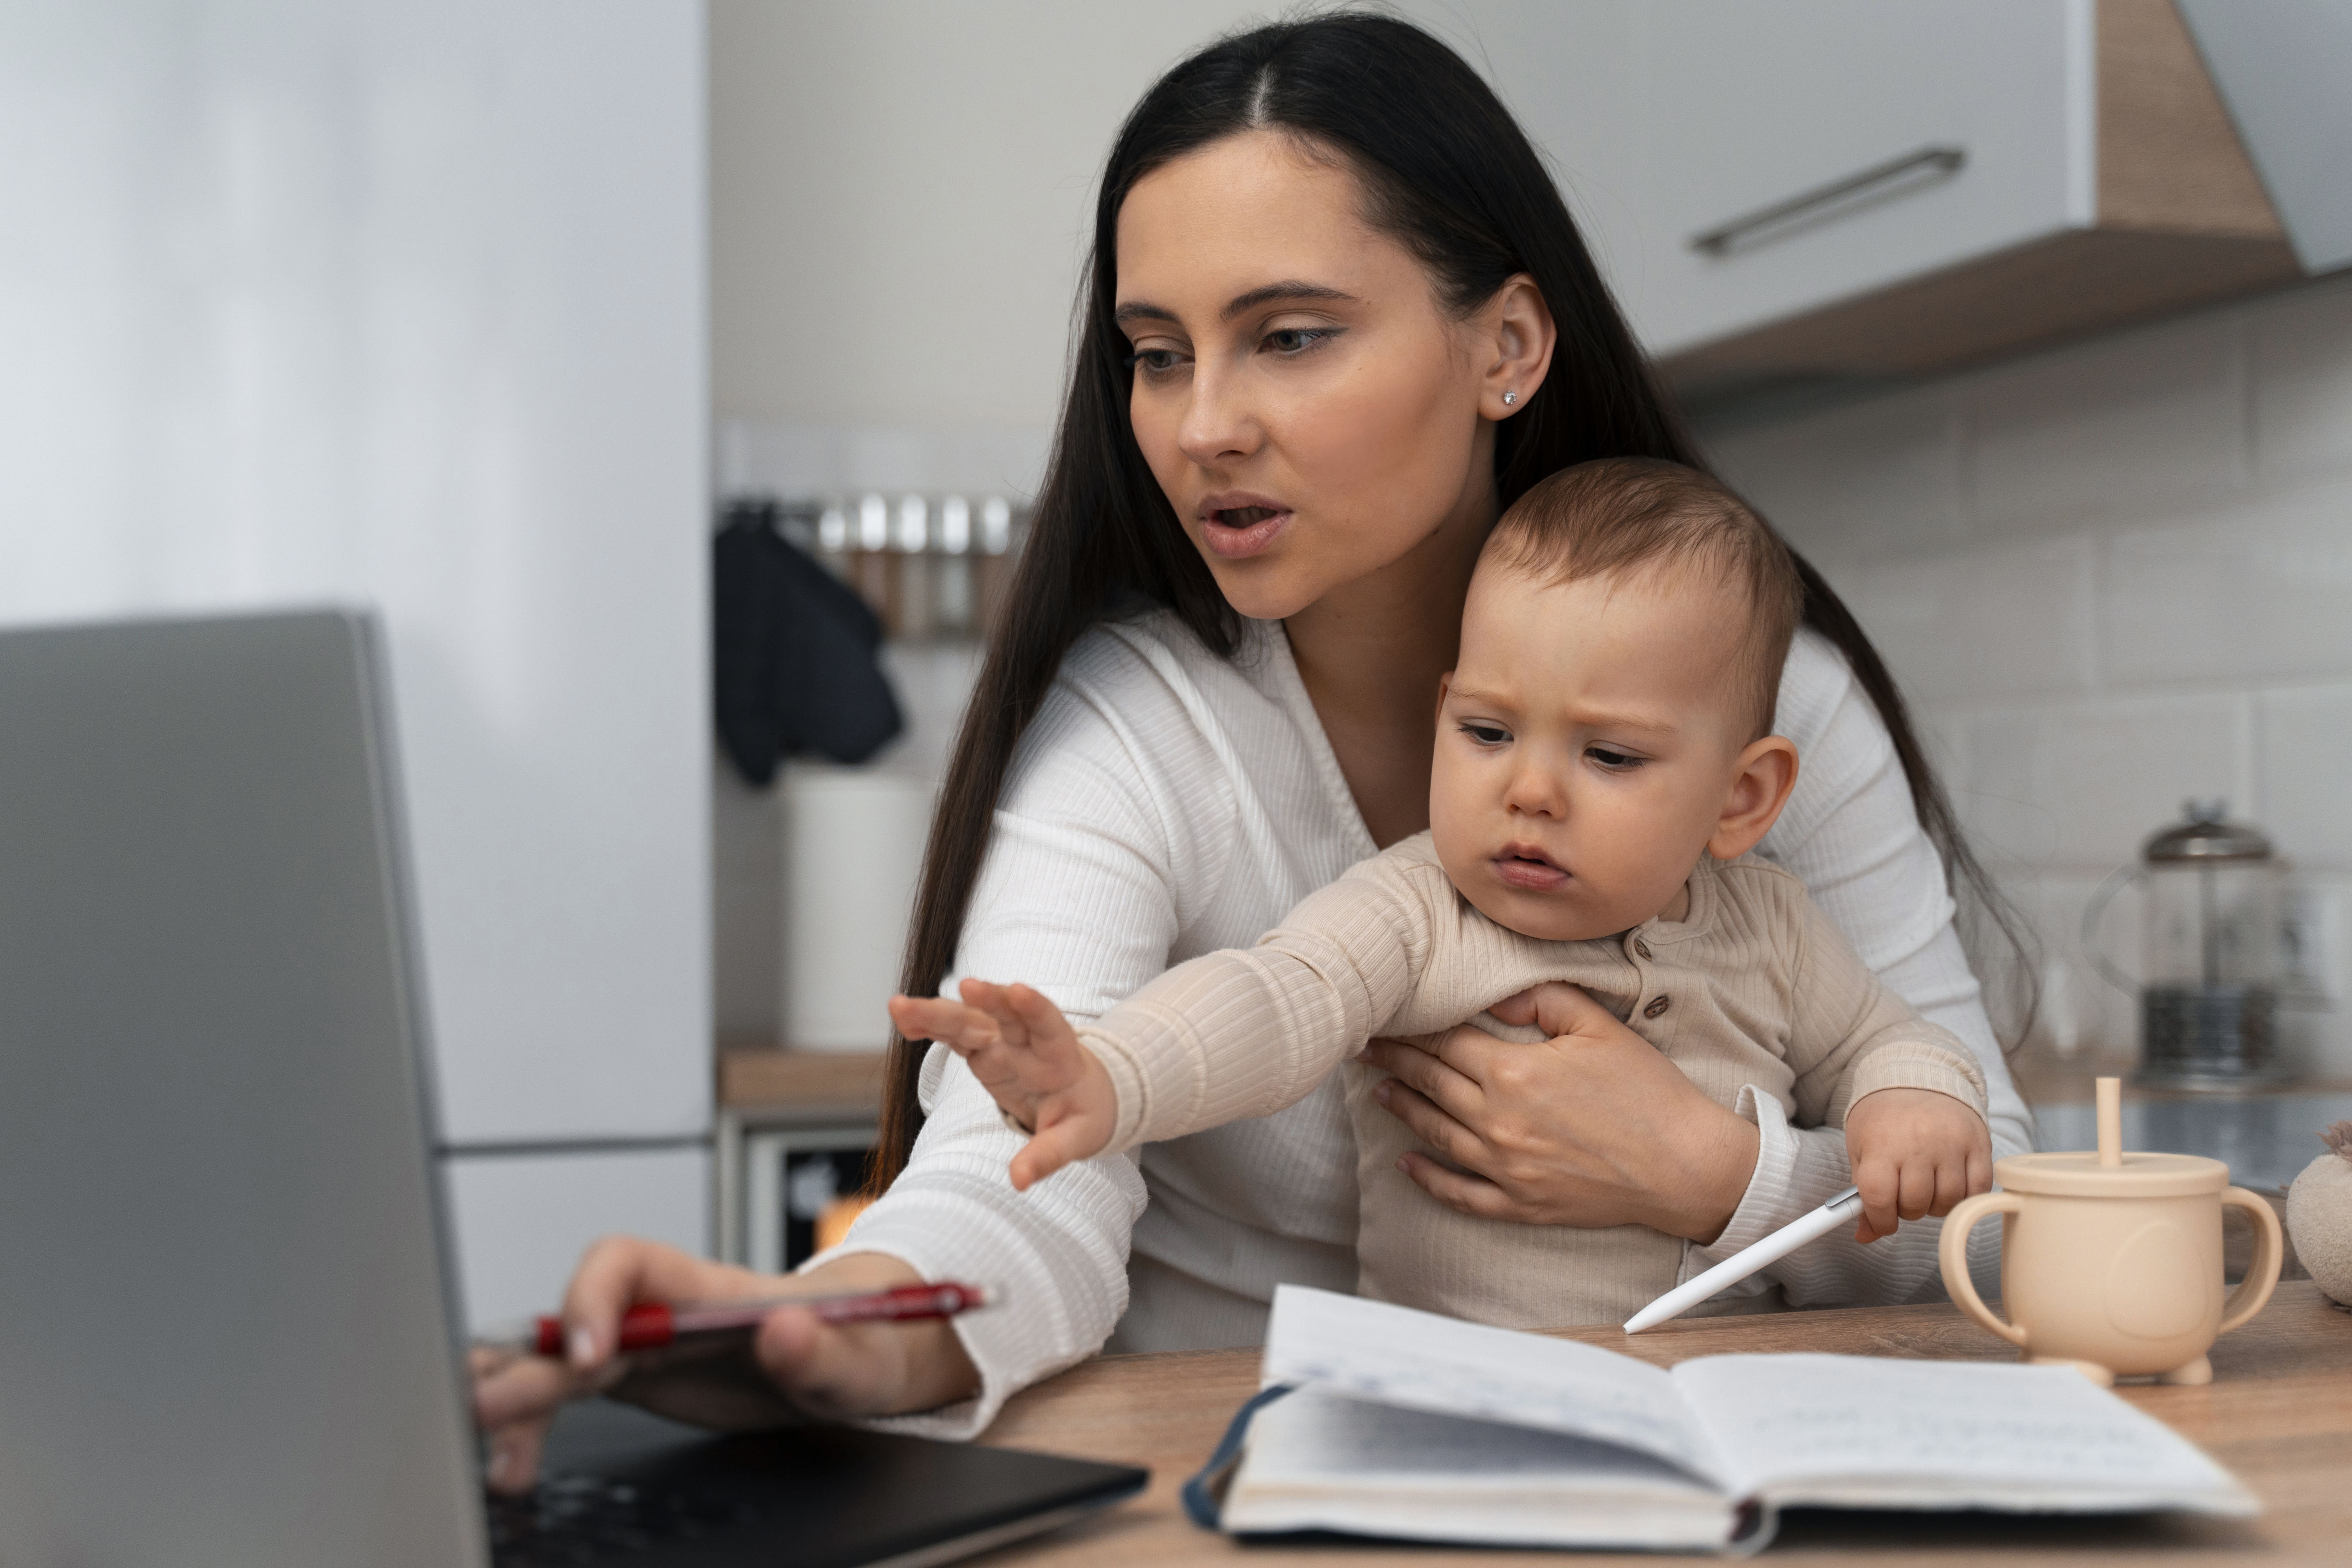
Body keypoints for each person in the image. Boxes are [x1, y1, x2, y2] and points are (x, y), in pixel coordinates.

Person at [474, 12, 2034, 1490]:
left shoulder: (1770, 707)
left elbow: (2003, 1225)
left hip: (1674, 1475)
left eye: (1288, 336)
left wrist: (1716, 1176)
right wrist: (818, 1329)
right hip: (1233, 1483)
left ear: (1506, 346)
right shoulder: (1139, 727)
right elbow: (1017, 1166)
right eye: (1158, 354)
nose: (1201, 424)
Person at [891, 458, 1994, 1330]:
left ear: (1741, 798)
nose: (1529, 792)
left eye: (1609, 756)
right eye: (1486, 732)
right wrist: (1109, 1076)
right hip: (1460, 1396)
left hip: (1729, 1405)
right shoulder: (1419, 908)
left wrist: (1911, 1101)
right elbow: (1275, 999)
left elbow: (1886, 1039)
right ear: (1443, 715)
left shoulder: (1774, 926)